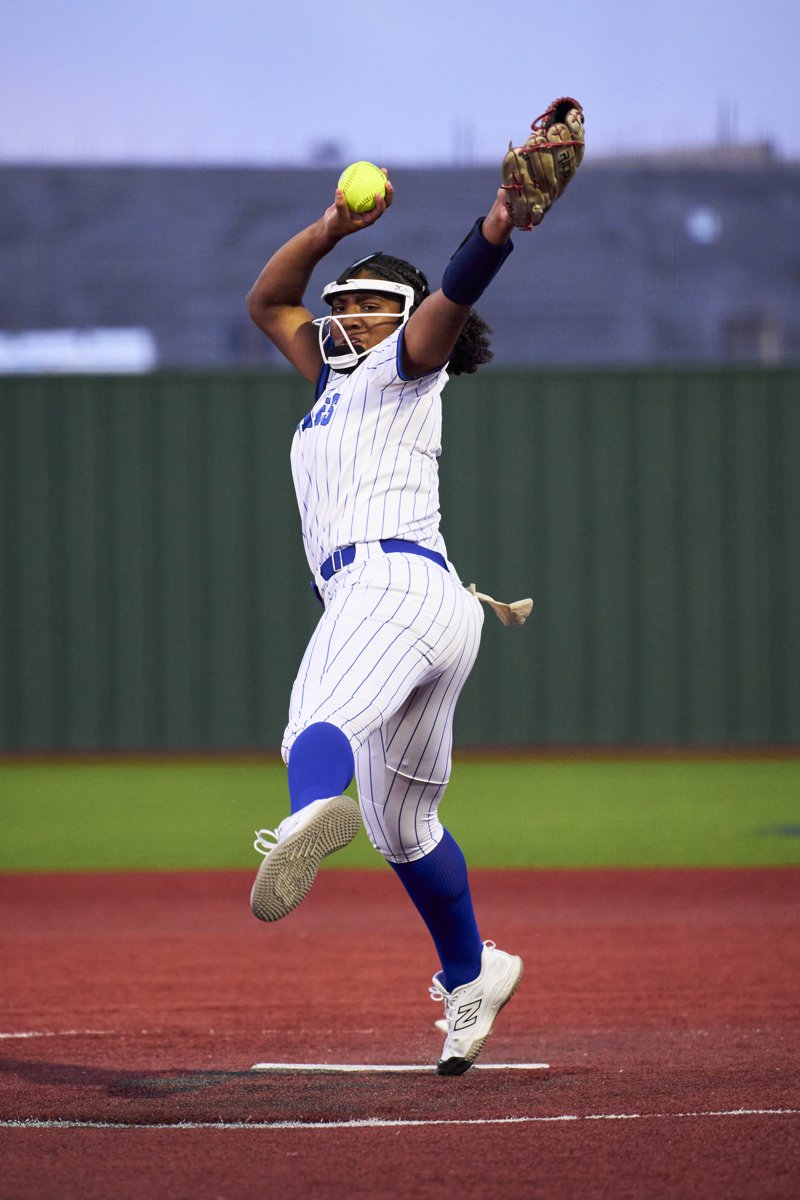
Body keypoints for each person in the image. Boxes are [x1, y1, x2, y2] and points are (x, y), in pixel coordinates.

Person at [245, 170, 522, 1076]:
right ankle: (473, 974)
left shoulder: (406, 364)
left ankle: (305, 817)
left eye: (370, 304)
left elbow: (457, 293)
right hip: (431, 606)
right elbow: (267, 301)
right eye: (343, 303)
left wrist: (496, 226)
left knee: (313, 722)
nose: (349, 315)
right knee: (404, 829)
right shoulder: (331, 381)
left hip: (391, 584)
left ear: (402, 314)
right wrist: (330, 226)